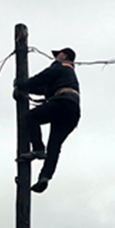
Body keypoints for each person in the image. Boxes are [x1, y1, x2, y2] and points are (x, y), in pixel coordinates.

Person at [14, 47, 81, 193]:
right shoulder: (68, 75)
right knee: (54, 145)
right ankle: (45, 177)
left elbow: (43, 77)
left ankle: (38, 149)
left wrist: (21, 84)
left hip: (62, 102)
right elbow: (44, 88)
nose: (55, 58)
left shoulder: (61, 66)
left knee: (31, 117)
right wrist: (26, 88)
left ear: (64, 55)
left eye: (58, 55)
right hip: (72, 110)